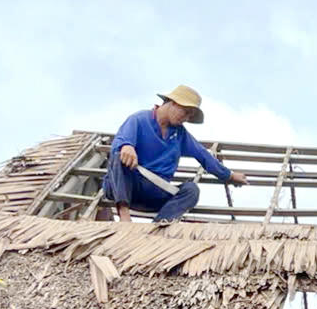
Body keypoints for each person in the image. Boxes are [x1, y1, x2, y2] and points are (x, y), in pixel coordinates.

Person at [104, 86, 247, 223]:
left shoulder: (180, 134)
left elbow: (203, 155)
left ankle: (159, 225)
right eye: (185, 112)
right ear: (173, 103)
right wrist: (127, 146)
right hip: (127, 187)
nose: (185, 118)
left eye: (189, 116)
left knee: (191, 190)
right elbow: (121, 140)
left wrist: (229, 175)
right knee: (118, 155)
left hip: (155, 193)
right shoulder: (139, 119)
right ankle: (124, 214)